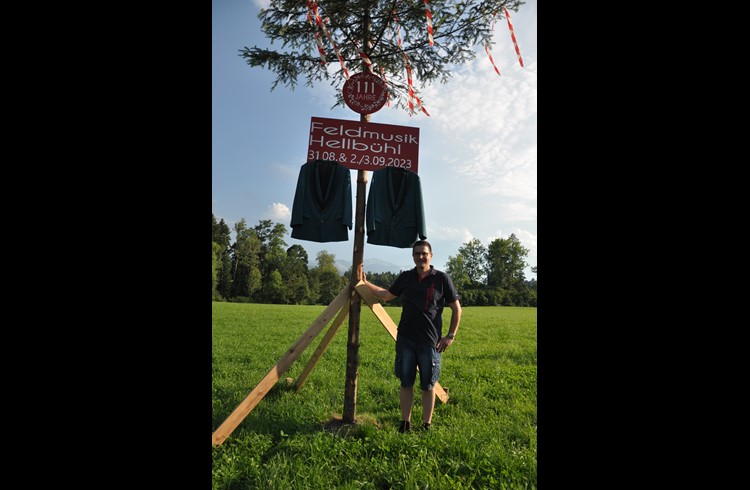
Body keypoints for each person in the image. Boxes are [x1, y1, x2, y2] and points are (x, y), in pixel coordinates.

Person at [363, 240, 462, 433]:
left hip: (430, 342)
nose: (420, 257)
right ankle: (405, 423)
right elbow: (386, 295)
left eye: (424, 253)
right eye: (417, 254)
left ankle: (426, 424)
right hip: (405, 339)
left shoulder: (441, 279)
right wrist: (365, 282)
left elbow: (456, 309)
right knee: (406, 382)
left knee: (428, 384)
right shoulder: (406, 277)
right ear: (413, 257)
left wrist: (450, 335)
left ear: (431, 255)